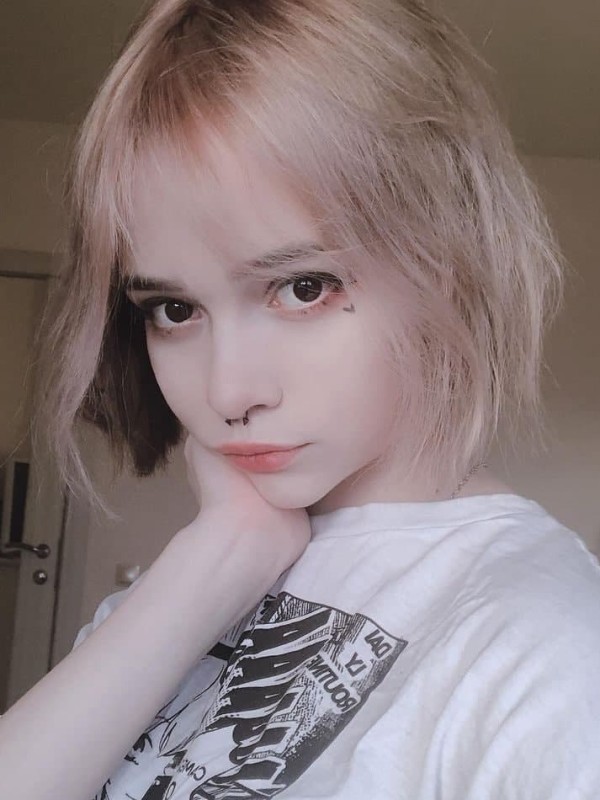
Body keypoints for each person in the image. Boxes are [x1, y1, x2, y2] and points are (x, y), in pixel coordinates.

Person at [1, 0, 599, 798]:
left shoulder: (551, 654)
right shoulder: (192, 575)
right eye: (173, 309)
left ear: (448, 265)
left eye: (302, 288)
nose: (228, 393)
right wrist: (223, 553)